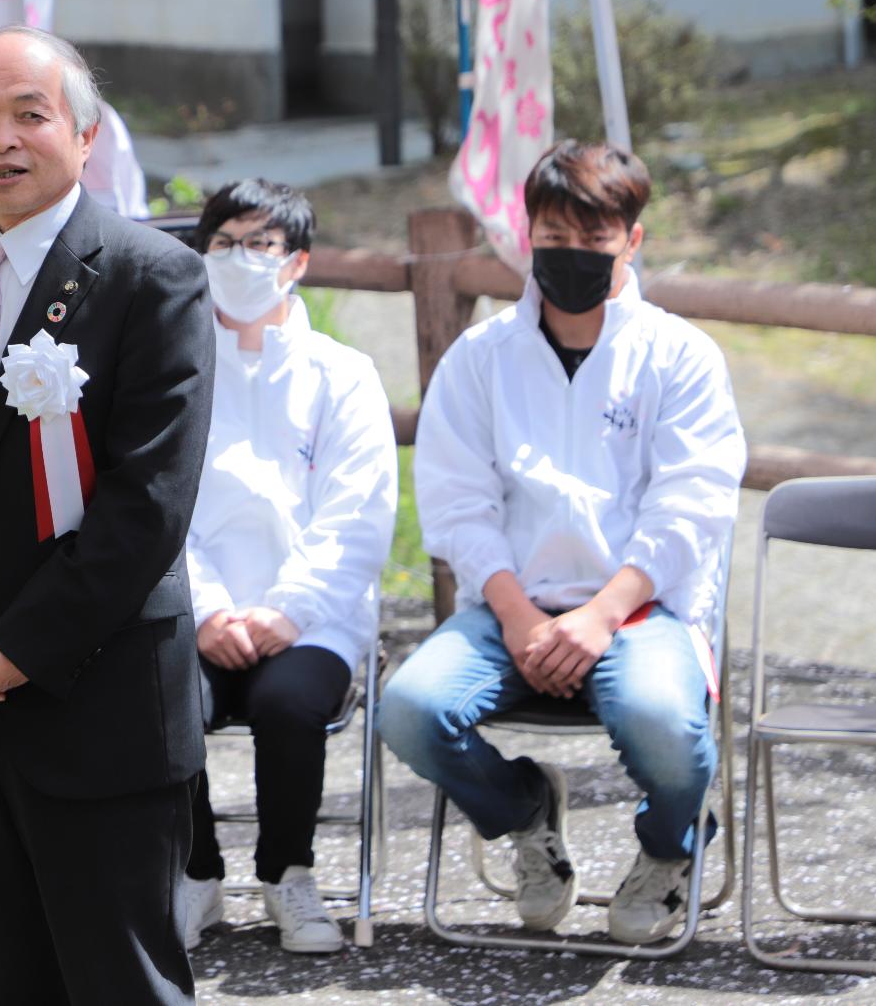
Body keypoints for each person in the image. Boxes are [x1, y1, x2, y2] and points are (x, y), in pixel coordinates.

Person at [0, 25, 215, 1003]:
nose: (1, 137)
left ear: (86, 134)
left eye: (29, 113)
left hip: (96, 695)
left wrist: (16, 648)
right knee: (8, 981)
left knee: (120, 980)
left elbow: (146, 506)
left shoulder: (153, 276)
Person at [378, 140, 745, 945]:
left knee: (664, 723)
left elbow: (692, 506)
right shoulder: (481, 358)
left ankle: (670, 846)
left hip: (642, 609)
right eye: (555, 238)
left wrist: (602, 616)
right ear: (526, 235)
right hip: (512, 608)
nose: (571, 256)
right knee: (407, 710)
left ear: (634, 240)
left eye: (594, 240)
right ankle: (523, 813)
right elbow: (456, 502)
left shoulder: (679, 356)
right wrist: (515, 615)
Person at [178, 179, 397, 955]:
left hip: (311, 617)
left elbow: (357, 514)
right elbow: (153, 505)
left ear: (297, 262)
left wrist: (287, 608)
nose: (239, 259)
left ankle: (288, 873)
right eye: (224, 243)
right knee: (149, 686)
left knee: (289, 702)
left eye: (260, 245)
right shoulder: (170, 372)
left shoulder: (343, 374)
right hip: (194, 615)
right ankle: (194, 873)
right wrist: (206, 609)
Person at [0, 96, 150, 219]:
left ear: (86, 138)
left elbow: (131, 209)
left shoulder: (101, 119)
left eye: (31, 115)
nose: (2, 141)